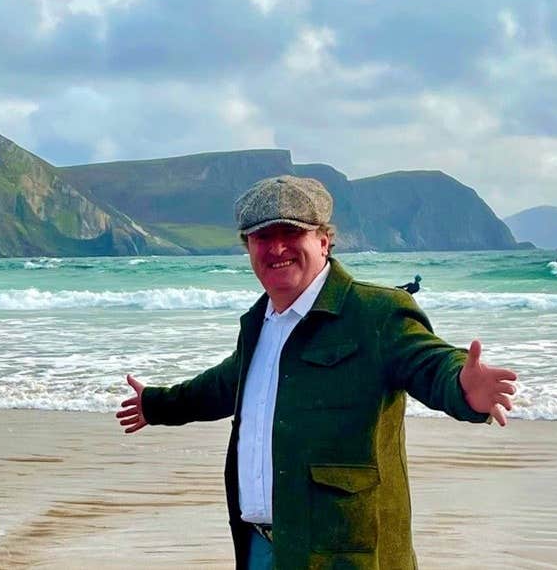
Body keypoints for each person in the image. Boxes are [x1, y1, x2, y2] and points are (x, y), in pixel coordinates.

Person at [116, 176, 516, 569]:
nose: (276, 247)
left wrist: (463, 388)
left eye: (291, 232)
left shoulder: (376, 313)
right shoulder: (260, 321)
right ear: (248, 248)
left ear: (323, 241)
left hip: (346, 554)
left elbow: (429, 363)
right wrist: (156, 404)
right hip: (261, 546)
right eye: (261, 237)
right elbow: (224, 385)